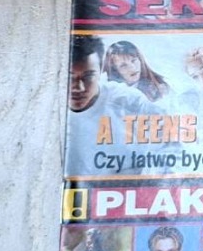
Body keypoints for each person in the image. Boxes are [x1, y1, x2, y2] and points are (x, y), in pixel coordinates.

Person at [65, 34, 164, 176]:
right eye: (70, 77)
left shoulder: (129, 101)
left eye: (88, 76)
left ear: (100, 72)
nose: (79, 87)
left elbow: (171, 142)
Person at [103, 40, 171, 102]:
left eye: (133, 60)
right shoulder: (109, 94)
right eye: (123, 65)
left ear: (140, 60)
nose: (132, 67)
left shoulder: (159, 88)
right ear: (115, 70)